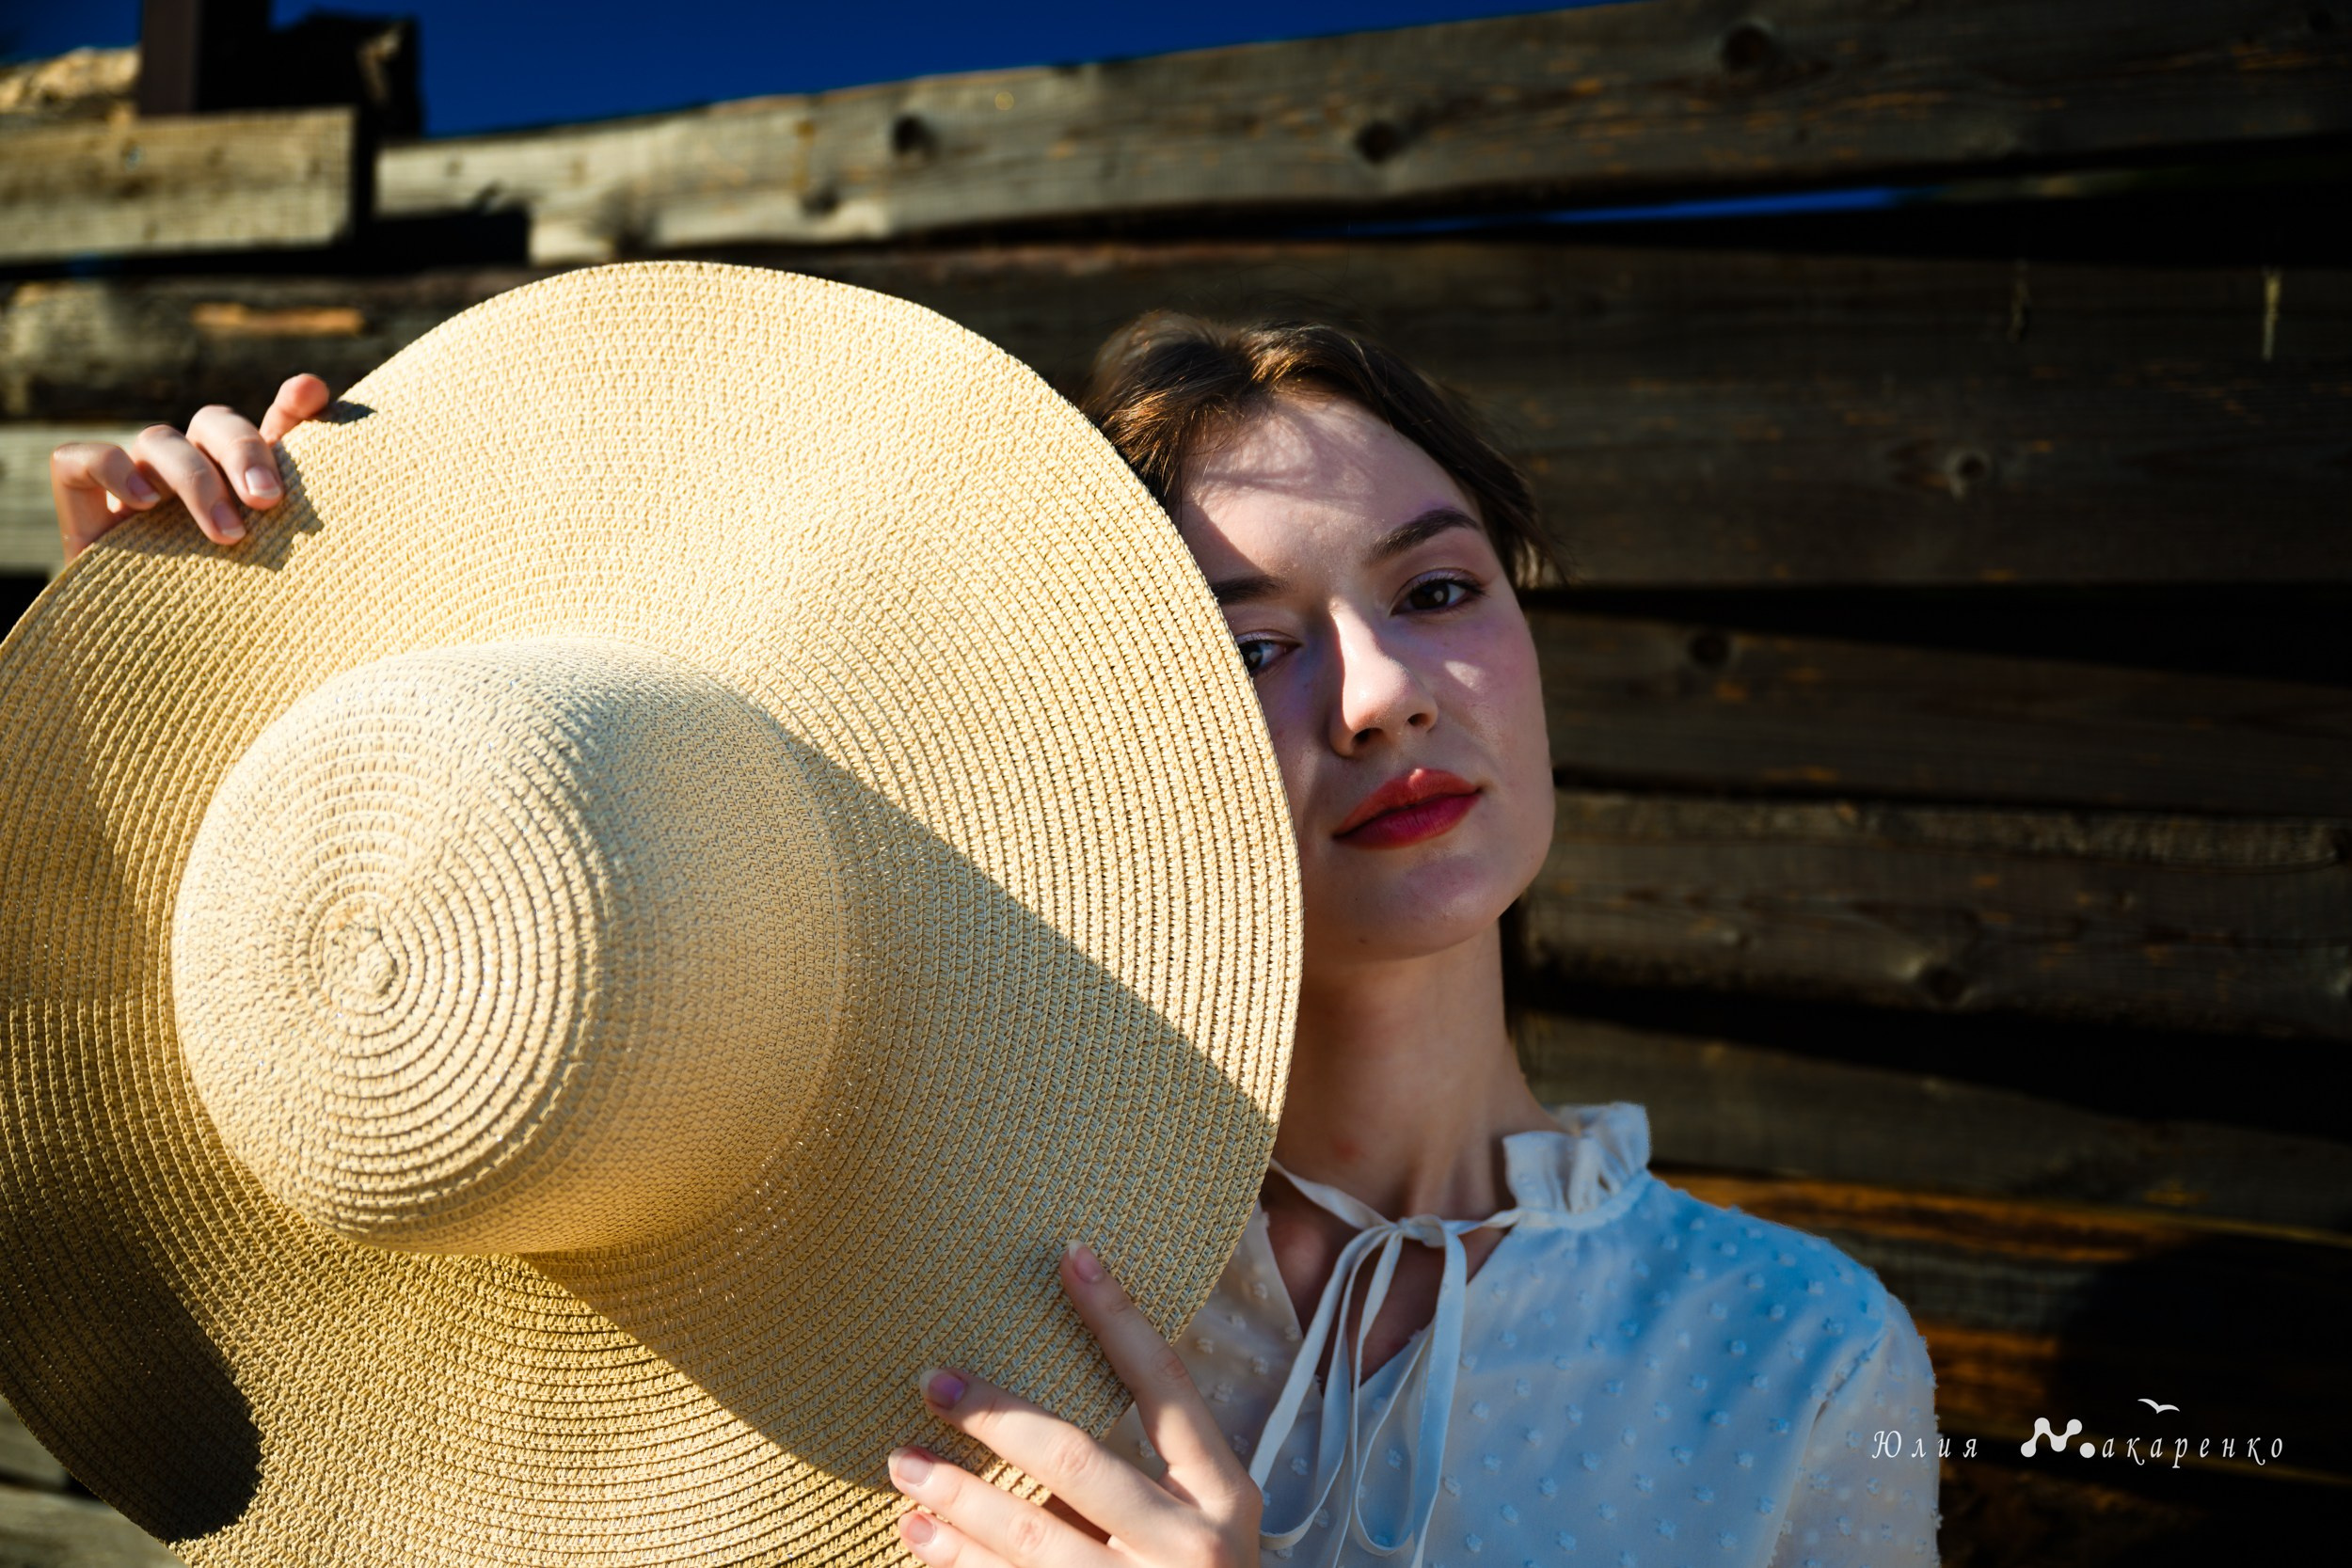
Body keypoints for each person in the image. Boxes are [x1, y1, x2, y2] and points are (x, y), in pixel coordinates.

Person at [49, 312, 1941, 1568]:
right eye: (1247, 641)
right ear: (1118, 728)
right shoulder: (861, 1306)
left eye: (1435, 588)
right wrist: (189, 674)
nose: (1375, 697)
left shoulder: (1783, 1363)